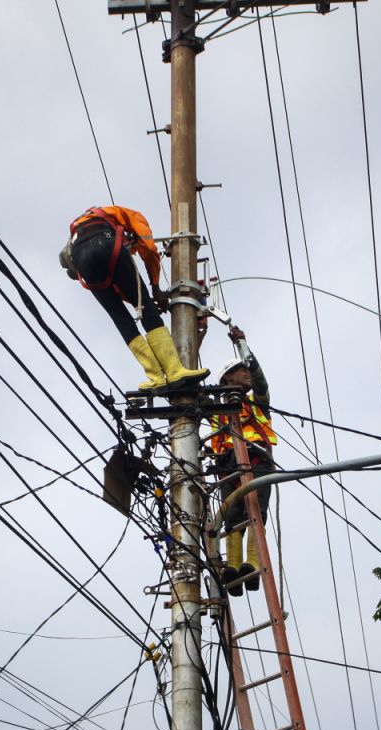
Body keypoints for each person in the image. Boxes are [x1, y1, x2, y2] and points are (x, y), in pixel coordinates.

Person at [62, 206, 208, 391]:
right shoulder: (130, 215)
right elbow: (148, 249)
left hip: (81, 260)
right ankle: (174, 371)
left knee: (121, 319)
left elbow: (115, 287)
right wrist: (155, 289)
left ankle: (156, 377)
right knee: (146, 308)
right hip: (107, 243)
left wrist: (134, 300)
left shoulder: (78, 228)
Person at [209, 326, 277, 595]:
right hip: (227, 463)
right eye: (241, 370)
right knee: (232, 515)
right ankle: (234, 567)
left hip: (257, 458)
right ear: (227, 378)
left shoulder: (258, 403)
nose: (247, 374)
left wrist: (243, 347)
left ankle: (252, 563)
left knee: (256, 510)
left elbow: (261, 382)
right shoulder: (215, 405)